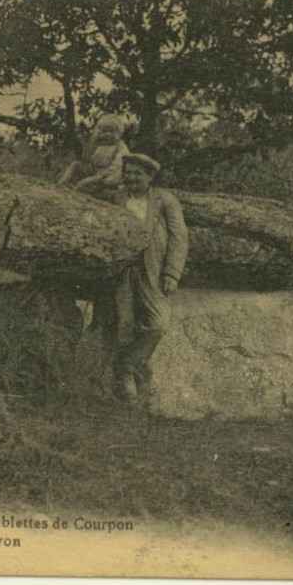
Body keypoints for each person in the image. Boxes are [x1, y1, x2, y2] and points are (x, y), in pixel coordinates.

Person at [110, 153, 188, 405]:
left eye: (137, 173)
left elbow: (179, 237)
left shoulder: (164, 201)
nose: (131, 177)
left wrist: (172, 273)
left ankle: (128, 366)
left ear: (150, 177)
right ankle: (123, 382)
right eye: (128, 172)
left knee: (159, 323)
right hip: (124, 270)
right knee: (124, 327)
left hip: (153, 270)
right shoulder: (117, 198)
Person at [58, 113, 131, 202]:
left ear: (119, 133)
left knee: (85, 186)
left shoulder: (120, 147)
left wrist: (99, 177)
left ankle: (112, 195)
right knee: (75, 165)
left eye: (111, 131)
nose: (107, 134)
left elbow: (117, 167)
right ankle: (62, 183)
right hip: (95, 173)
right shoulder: (98, 145)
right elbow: (88, 160)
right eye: (104, 131)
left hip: (108, 177)